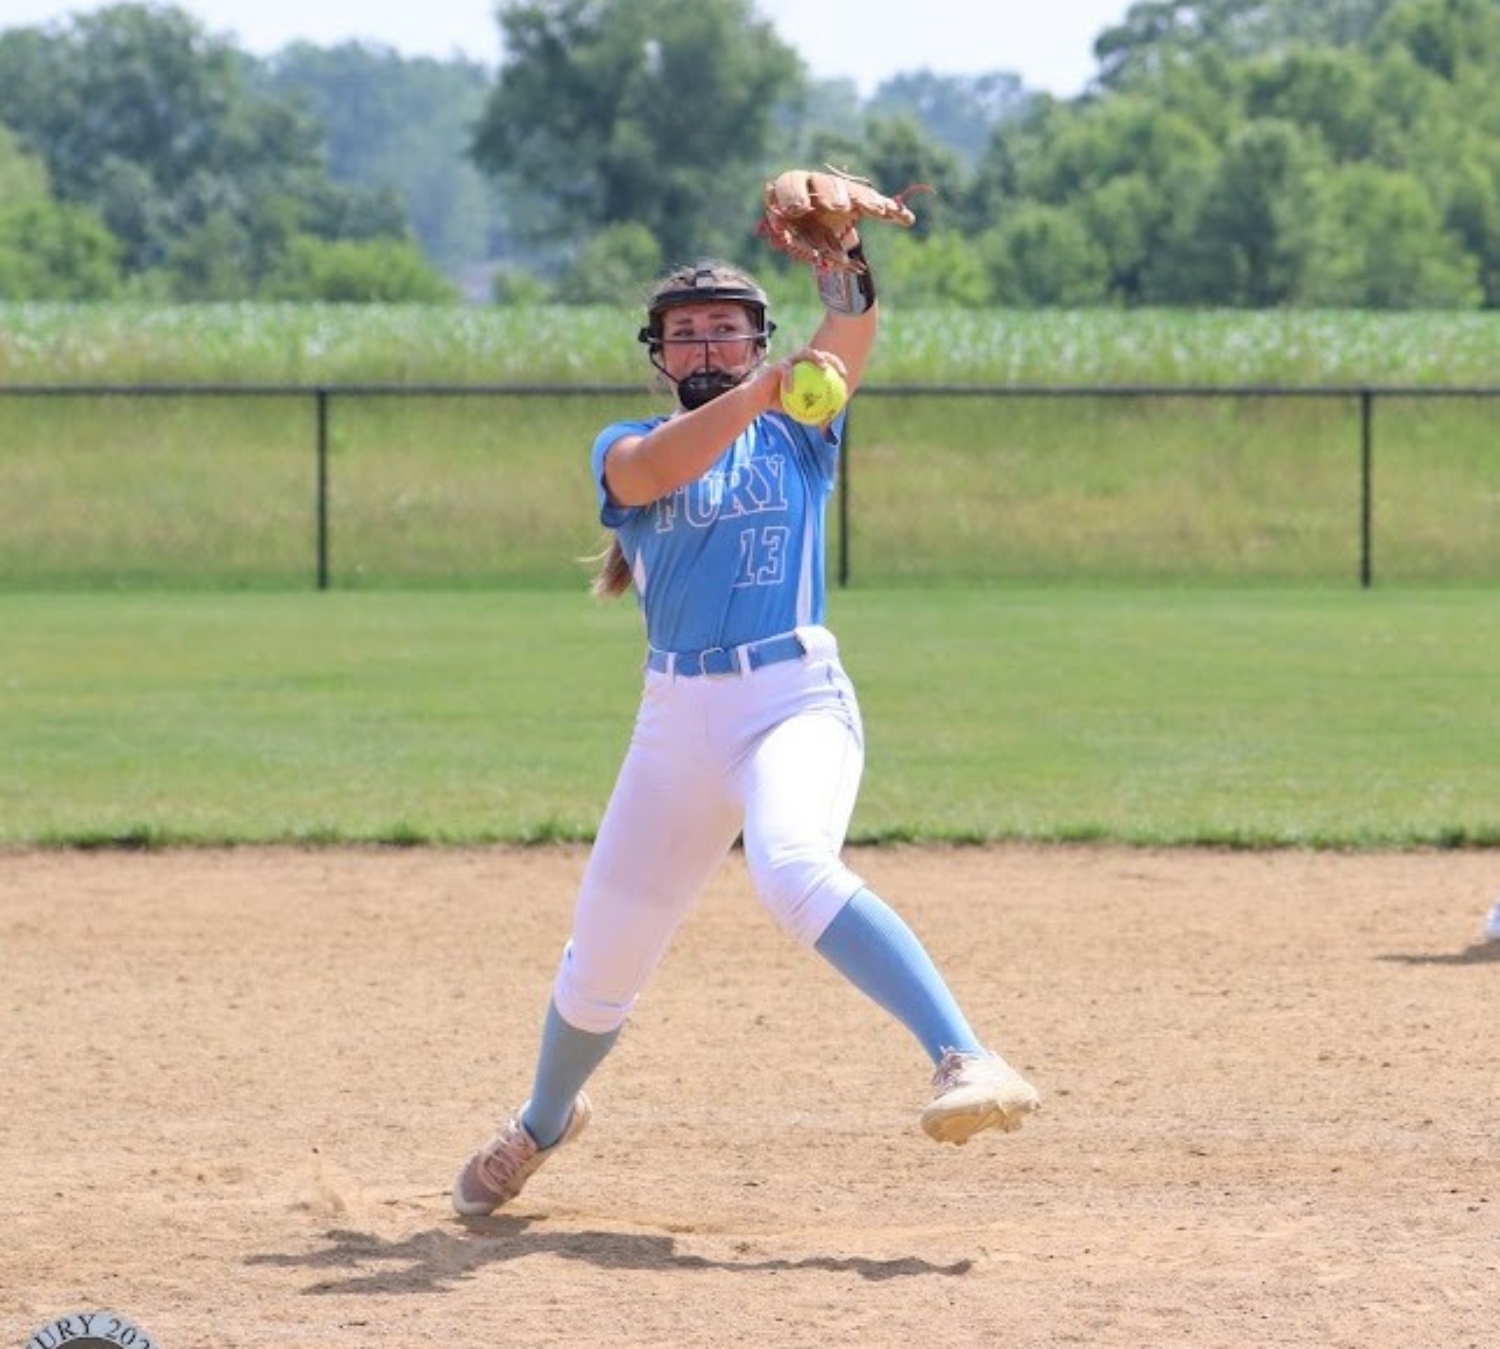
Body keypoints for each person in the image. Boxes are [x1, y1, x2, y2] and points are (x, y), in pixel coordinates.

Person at [452, 170, 1040, 1217]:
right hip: (676, 721)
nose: (709, 347)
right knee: (603, 962)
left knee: (793, 864)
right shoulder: (627, 445)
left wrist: (846, 270)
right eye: (687, 334)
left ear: (762, 339)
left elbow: (850, 335)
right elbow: (651, 475)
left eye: (730, 329)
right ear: (658, 352)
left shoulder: (801, 430)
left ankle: (967, 1056)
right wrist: (759, 389)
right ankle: (543, 1121)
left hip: (792, 698)